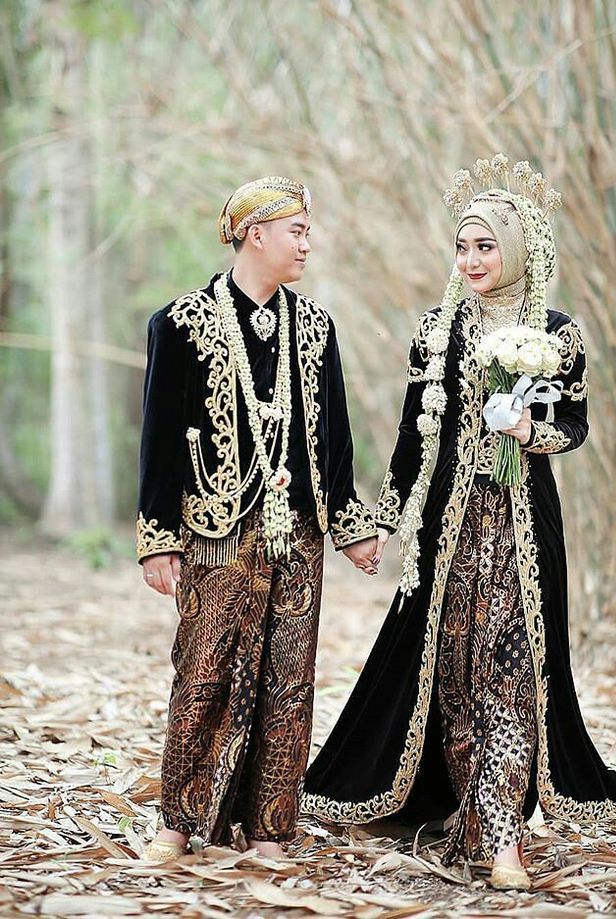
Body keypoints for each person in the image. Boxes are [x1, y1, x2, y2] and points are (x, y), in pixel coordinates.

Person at [302, 156, 616, 890]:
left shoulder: (558, 332)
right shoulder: (435, 330)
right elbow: (411, 442)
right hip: (451, 533)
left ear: (517, 248)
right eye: (462, 247)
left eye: (485, 247)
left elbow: (577, 423)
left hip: (525, 531)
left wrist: (530, 426)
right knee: (457, 673)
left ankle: (503, 841)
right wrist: (378, 525)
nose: (470, 261)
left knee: (515, 671)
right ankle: (466, 809)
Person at [137, 176, 378, 863]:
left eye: (308, 230)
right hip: (215, 526)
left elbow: (333, 438)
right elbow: (158, 439)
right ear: (255, 234)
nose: (308, 242)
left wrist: (351, 526)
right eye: (296, 230)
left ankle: (272, 825)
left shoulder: (317, 326)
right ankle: (177, 824)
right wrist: (159, 539)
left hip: (296, 530)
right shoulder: (180, 323)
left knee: (289, 678)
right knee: (204, 670)